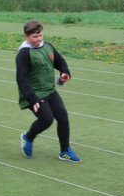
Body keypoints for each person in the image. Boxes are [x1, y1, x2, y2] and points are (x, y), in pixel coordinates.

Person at [16, 20, 80, 162]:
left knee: (63, 117)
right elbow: (22, 80)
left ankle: (65, 151)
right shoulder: (24, 54)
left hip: (50, 90)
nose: (39, 39)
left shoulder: (48, 46)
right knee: (47, 119)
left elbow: (60, 61)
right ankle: (28, 137)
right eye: (35, 37)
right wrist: (33, 99)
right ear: (26, 36)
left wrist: (65, 72)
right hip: (34, 94)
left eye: (40, 35)